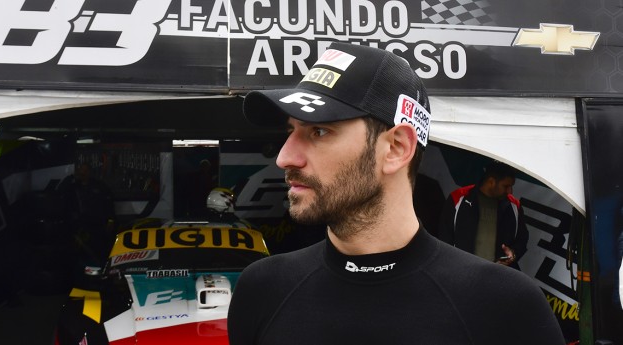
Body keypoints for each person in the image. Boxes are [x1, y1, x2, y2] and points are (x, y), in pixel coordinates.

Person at [227, 42, 564, 344]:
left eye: (318, 131)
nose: (285, 157)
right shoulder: (262, 289)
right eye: (291, 131)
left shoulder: (505, 306)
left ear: (396, 148)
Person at [438, 160, 528, 269]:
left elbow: (522, 238)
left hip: (496, 274)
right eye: (506, 186)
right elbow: (444, 238)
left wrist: (513, 253)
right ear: (491, 182)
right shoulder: (458, 198)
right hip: (461, 271)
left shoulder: (514, 206)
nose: (510, 191)